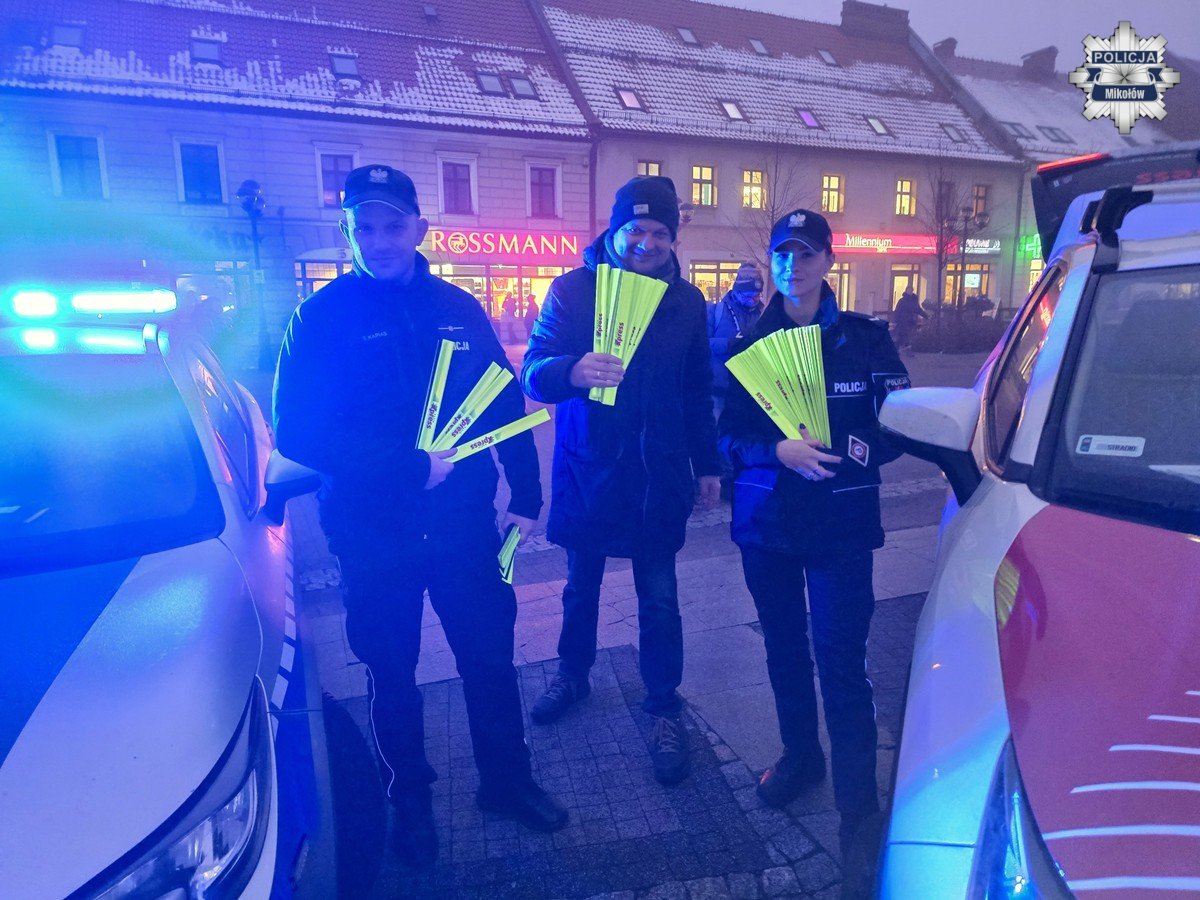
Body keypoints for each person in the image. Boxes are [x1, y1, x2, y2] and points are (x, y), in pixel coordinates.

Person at [273, 164, 567, 868]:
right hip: (373, 532)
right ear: (347, 233)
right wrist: (405, 466)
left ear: (419, 229)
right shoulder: (320, 317)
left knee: (489, 658)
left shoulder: (457, 307)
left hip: (464, 526)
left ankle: (506, 780)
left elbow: (502, 401)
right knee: (392, 672)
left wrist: (526, 497)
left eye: (393, 225)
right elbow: (296, 432)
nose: (380, 240)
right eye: (364, 228)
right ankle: (409, 802)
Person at [717, 209, 911, 853]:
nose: (792, 265)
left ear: (828, 261)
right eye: (782, 254)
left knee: (842, 661)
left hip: (841, 526)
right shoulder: (745, 346)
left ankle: (859, 808)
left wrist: (846, 451)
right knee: (783, 651)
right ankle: (801, 757)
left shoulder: (865, 339)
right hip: (767, 524)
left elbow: (900, 425)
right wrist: (777, 451)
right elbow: (724, 438)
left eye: (805, 254)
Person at [521, 175, 721, 785]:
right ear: (614, 230)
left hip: (659, 474)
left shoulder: (687, 302)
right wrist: (571, 369)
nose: (647, 243)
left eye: (660, 232)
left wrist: (709, 465)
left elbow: (696, 392)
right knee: (580, 587)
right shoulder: (572, 289)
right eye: (636, 230)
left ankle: (663, 705)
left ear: (673, 238)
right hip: (591, 469)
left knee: (659, 598)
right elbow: (532, 371)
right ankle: (572, 674)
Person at [707, 262, 765, 421]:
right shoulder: (716, 311)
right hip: (719, 391)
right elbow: (702, 344)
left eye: (756, 295)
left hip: (752, 392)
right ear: (736, 292)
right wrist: (729, 344)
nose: (753, 300)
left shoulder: (764, 314)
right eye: (747, 296)